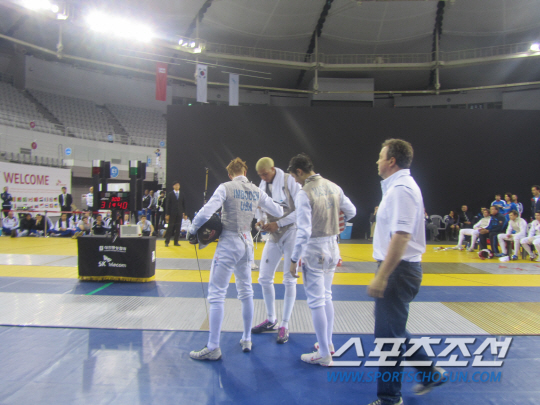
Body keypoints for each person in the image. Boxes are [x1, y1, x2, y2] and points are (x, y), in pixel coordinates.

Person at [368, 139, 445, 405]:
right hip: (398, 269)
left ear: (391, 161)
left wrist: (382, 275)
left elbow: (401, 237)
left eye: (380, 157)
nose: (377, 161)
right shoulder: (396, 188)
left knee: (388, 338)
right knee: (391, 331)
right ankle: (430, 373)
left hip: (398, 270)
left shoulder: (401, 190)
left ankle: (390, 398)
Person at [189, 157, 283, 361]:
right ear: (245, 172)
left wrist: (192, 228)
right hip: (247, 243)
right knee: (246, 291)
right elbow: (278, 210)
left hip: (229, 243)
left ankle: (213, 347)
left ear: (230, 174)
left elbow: (206, 211)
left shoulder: (226, 187)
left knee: (216, 294)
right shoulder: (256, 190)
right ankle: (247, 339)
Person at [285, 153, 356, 366]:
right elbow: (352, 211)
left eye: (294, 177)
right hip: (333, 246)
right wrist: (336, 218)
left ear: (299, 171)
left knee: (316, 302)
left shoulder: (304, 193)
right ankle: (328, 344)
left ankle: (324, 354)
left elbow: (304, 231)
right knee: (327, 296)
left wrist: (294, 259)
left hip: (315, 249)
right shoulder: (334, 186)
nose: (295, 181)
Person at [251, 157, 302, 344]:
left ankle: (284, 324)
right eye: (260, 175)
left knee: (289, 279)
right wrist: (261, 221)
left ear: (273, 169)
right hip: (273, 235)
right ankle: (271, 319)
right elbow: (260, 208)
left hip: (292, 232)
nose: (263, 177)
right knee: (264, 278)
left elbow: (301, 210)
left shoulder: (290, 181)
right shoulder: (262, 184)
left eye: (265, 174)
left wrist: (279, 223)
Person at [164, 182, 186, 247]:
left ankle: (176, 242)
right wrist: (167, 214)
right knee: (170, 228)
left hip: (179, 213)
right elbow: (168, 204)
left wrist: (185, 213)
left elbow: (184, 204)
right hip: (172, 213)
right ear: (173, 186)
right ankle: (167, 241)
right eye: (176, 185)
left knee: (178, 228)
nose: (177, 186)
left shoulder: (182, 194)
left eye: (178, 185)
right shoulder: (170, 194)